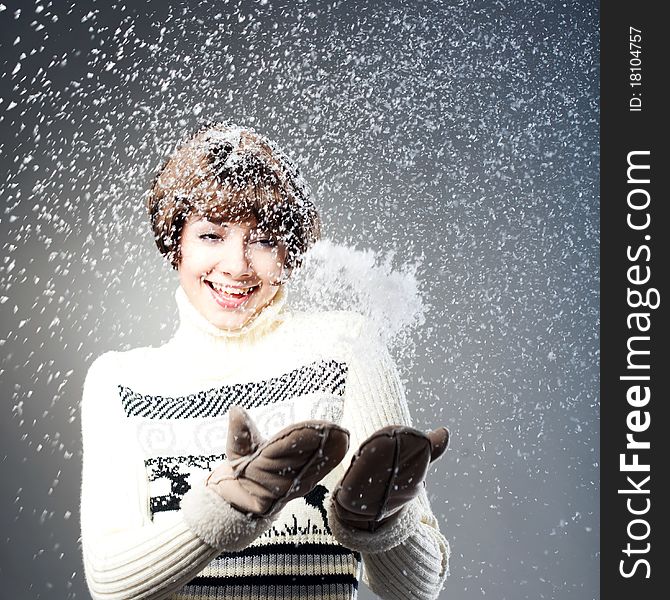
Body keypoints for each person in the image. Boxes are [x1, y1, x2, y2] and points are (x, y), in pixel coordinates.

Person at [80, 123, 451, 600]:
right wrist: (225, 511)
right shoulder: (120, 382)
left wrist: (376, 519)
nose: (237, 265)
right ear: (176, 244)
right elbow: (110, 583)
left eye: (262, 239)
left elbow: (418, 589)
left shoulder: (346, 347)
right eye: (212, 235)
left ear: (289, 252)